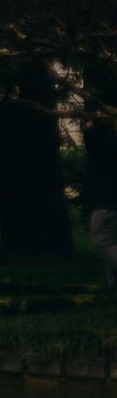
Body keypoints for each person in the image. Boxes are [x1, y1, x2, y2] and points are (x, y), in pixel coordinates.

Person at [85, 111, 117, 288]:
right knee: (112, 241)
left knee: (102, 239)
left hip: (108, 199)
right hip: (109, 197)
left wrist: (91, 130)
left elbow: (96, 150)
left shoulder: (108, 137)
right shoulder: (109, 134)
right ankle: (113, 285)